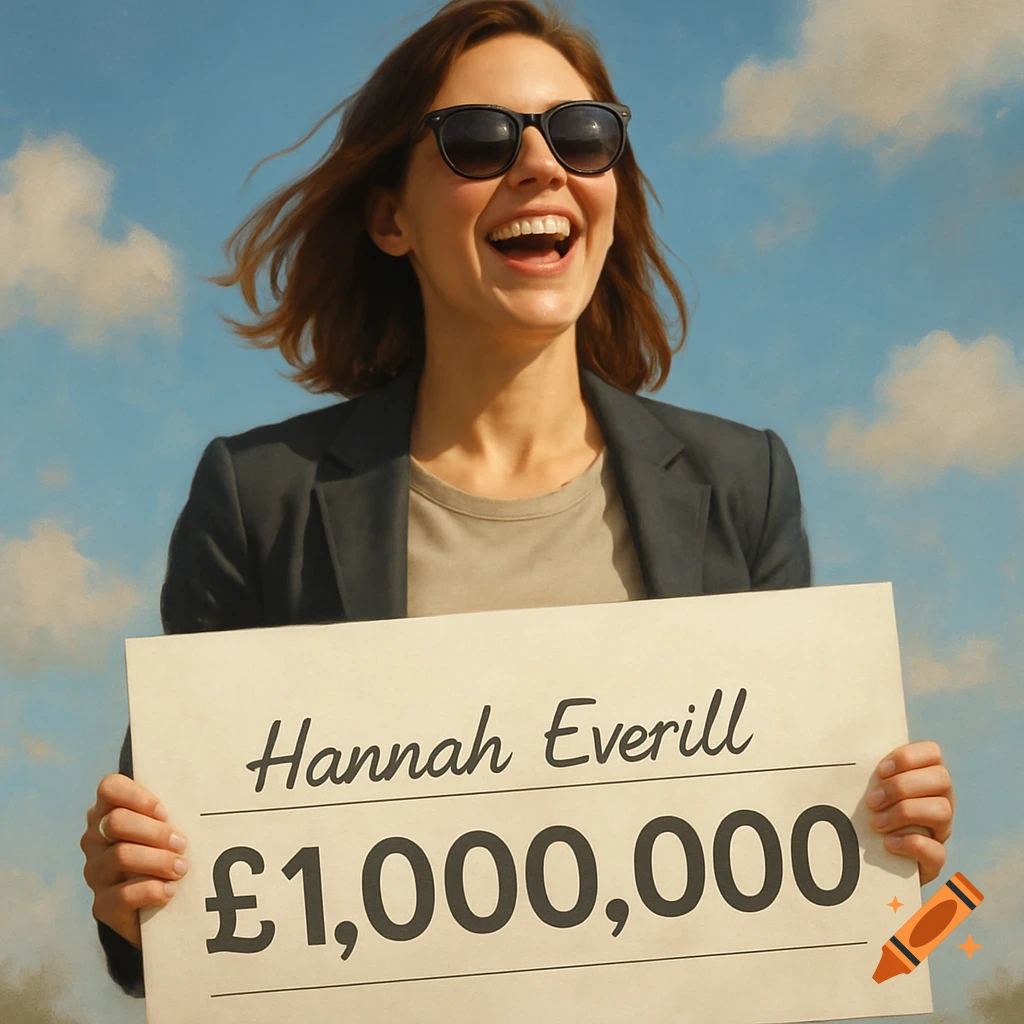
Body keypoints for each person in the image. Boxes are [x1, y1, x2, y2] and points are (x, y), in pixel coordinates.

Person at [79, 0, 956, 1000]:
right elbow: (166, 929)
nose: (543, 166)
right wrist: (128, 892)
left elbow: (827, 935)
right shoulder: (259, 500)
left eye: (583, 136)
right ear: (390, 217)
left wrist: (886, 848)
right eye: (478, 141)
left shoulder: (740, 484)